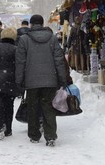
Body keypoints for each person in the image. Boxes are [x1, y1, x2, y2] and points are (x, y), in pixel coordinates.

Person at [15, 14, 69, 147]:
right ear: (43, 23)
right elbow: (59, 60)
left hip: (31, 80)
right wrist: (62, 78)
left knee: (32, 107)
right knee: (49, 107)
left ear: (31, 25)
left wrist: (19, 80)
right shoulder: (52, 38)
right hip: (50, 80)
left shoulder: (24, 39)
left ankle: (34, 135)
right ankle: (50, 136)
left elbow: (20, 62)